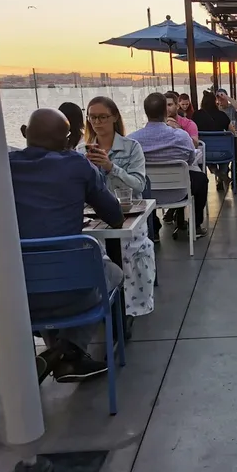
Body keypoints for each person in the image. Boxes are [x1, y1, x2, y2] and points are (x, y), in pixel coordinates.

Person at [10, 108, 124, 382]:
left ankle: (57, 353)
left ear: (25, 133)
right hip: (71, 293)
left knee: (43, 276)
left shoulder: (1, 166)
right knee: (113, 273)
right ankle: (66, 353)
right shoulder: (76, 165)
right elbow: (115, 217)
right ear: (69, 139)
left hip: (12, 297)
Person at [78, 96, 155, 318]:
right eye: (92, 117)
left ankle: (125, 309)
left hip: (126, 215)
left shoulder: (131, 147)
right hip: (92, 217)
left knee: (127, 251)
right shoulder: (82, 151)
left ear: (114, 118)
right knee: (87, 251)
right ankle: (100, 306)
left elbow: (139, 184)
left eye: (102, 117)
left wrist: (111, 167)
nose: (97, 122)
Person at [127, 93, 209, 239]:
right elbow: (190, 160)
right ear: (165, 112)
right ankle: (195, 225)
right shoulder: (181, 136)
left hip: (148, 194)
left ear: (146, 113)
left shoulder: (132, 140)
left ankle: (154, 227)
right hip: (180, 191)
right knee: (202, 179)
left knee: (142, 179)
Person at [194, 90, 237, 189]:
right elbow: (232, 133)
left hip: (204, 154)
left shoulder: (196, 115)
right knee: (230, 149)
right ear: (215, 102)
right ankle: (222, 173)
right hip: (222, 153)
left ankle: (216, 171)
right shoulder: (222, 115)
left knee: (206, 152)